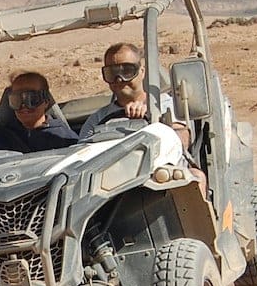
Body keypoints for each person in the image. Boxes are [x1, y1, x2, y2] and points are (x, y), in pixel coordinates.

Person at [80, 42, 206, 192]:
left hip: (162, 176)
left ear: (141, 71)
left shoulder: (166, 104)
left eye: (127, 71)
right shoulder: (97, 119)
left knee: (195, 177)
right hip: (111, 185)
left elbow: (184, 139)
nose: (119, 79)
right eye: (111, 73)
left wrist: (151, 122)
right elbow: (82, 155)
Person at [0, 71, 78, 153]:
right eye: (16, 100)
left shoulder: (63, 138)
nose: (23, 106)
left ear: (46, 101)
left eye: (32, 99)